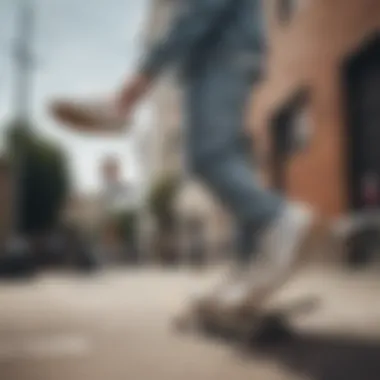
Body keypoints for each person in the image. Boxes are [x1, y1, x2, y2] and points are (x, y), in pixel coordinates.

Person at [49, 0, 318, 326]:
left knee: (209, 157)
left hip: (220, 51)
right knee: (228, 160)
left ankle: (278, 219)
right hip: (219, 53)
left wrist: (142, 78)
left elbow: (202, 8)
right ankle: (247, 267)